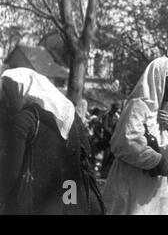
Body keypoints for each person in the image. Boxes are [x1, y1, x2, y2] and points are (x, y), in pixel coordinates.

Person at [0, 68, 104, 215]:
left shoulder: (24, 120)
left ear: (20, 89)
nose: (5, 99)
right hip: (67, 195)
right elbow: (83, 154)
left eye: (7, 91)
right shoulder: (69, 116)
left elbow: (11, 169)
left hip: (32, 202)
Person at [103, 57, 168, 215]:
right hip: (132, 181)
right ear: (158, 79)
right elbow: (126, 143)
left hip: (154, 185)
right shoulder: (138, 106)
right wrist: (158, 160)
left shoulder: (163, 111)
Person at [101, 102, 120, 178]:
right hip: (107, 139)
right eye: (116, 108)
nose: (117, 109)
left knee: (111, 158)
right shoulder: (107, 116)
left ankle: (108, 174)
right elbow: (105, 127)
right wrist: (112, 133)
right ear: (113, 108)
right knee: (106, 156)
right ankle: (103, 173)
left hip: (114, 140)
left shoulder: (116, 116)